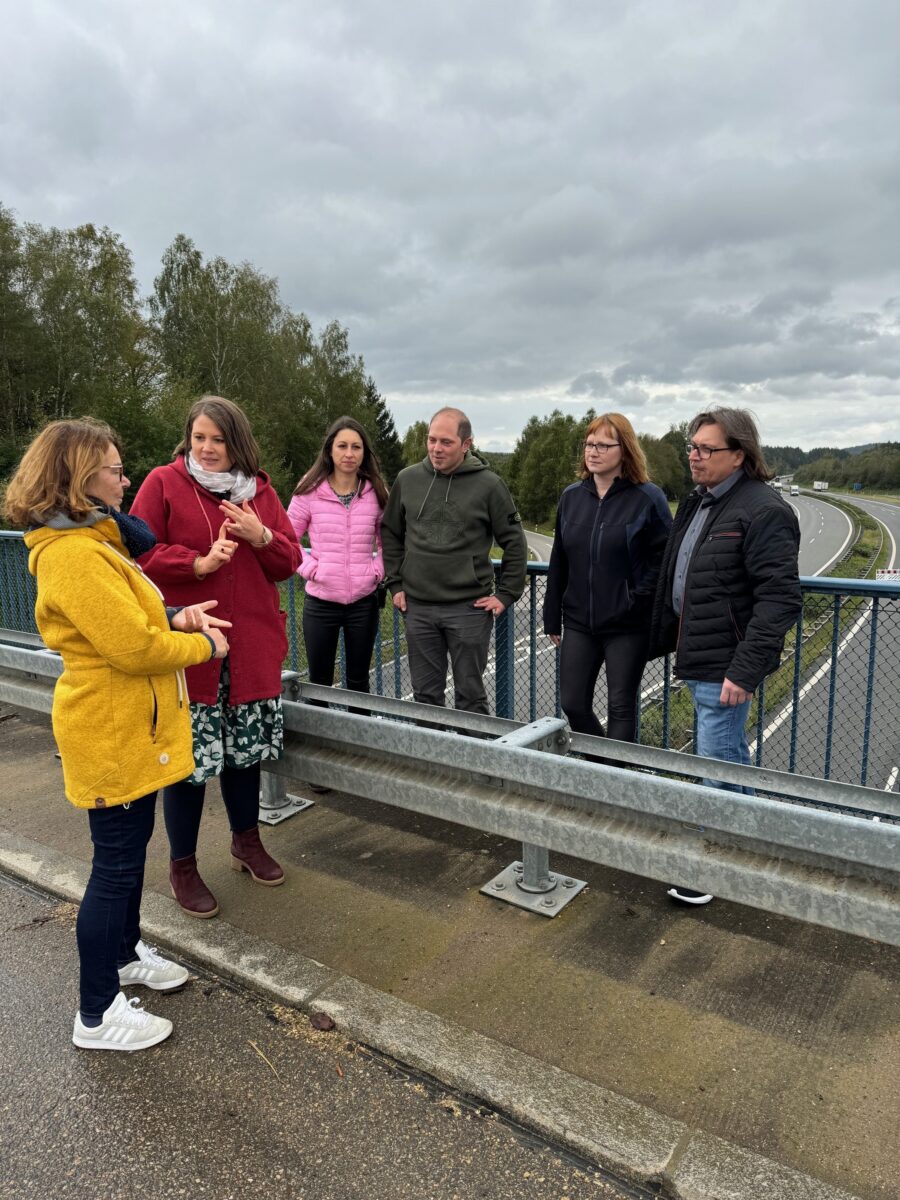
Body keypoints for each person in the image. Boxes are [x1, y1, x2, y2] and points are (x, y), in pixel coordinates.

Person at [4, 418, 230, 1050]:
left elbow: (128, 620)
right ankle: (97, 1014)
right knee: (115, 867)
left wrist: (174, 615)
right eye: (114, 469)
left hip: (130, 726)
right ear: (81, 477)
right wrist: (202, 645)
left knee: (128, 858)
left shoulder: (94, 542)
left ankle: (125, 955)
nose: (125, 479)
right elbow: (132, 648)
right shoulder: (74, 553)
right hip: (112, 728)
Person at [130, 396, 301, 918]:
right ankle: (182, 866)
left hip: (249, 650)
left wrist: (262, 536)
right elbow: (137, 553)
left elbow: (289, 562)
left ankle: (246, 842)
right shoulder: (163, 483)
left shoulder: (260, 493)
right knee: (189, 766)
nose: (206, 448)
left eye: (218, 440)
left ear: (237, 444)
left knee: (245, 756)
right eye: (199, 437)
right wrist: (198, 564)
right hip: (192, 655)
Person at [649, 406, 801, 905]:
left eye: (706, 449)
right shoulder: (700, 501)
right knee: (729, 756)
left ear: (739, 454)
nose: (694, 456)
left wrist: (745, 668)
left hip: (727, 664)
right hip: (701, 651)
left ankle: (707, 868)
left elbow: (780, 599)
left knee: (716, 761)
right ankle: (750, 848)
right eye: (691, 447)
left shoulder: (764, 510)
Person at [381, 407, 527, 713]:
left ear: (466, 444)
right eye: (431, 439)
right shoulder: (407, 479)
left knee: (470, 697)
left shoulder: (489, 485)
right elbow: (391, 532)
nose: (436, 448)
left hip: (468, 609)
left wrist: (506, 594)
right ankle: (430, 748)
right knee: (425, 697)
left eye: (446, 442)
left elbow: (514, 541)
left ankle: (473, 747)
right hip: (418, 607)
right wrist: (395, 584)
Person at [543, 413, 672, 743]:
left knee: (621, 707)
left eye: (603, 445)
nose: (593, 451)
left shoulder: (648, 498)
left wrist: (636, 600)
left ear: (624, 450)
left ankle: (613, 773)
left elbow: (664, 558)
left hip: (627, 624)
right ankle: (602, 764)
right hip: (579, 621)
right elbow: (559, 557)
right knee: (573, 703)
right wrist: (552, 614)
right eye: (589, 444)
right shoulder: (572, 497)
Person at [287, 416, 387, 698]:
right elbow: (287, 539)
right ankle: (320, 729)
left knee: (359, 682)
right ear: (330, 450)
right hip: (321, 603)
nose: (349, 453)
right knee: (320, 682)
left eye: (356, 447)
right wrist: (312, 570)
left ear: (364, 453)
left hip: (363, 603)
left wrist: (376, 571)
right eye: (342, 446)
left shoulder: (376, 491)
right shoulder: (309, 490)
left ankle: (358, 728)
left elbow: (389, 542)